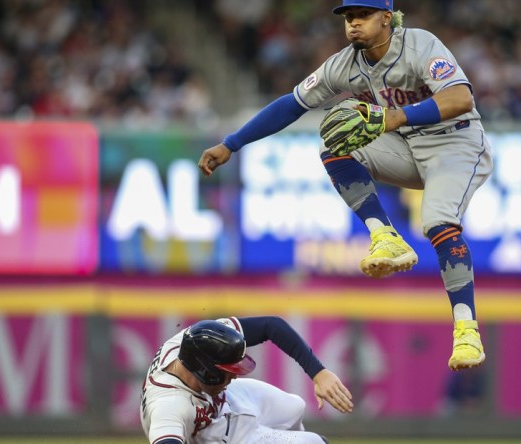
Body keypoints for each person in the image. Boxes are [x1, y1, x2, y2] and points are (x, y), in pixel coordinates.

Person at [198, 0, 493, 370]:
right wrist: (231, 143)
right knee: (333, 142)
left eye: (363, 15)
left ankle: (467, 330)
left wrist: (395, 116)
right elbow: (292, 104)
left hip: (457, 144)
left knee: (436, 222)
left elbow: (460, 97)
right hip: (406, 146)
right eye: (349, 17)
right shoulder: (345, 64)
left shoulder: (419, 44)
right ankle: (384, 236)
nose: (354, 24)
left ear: (387, 18)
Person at [140, 316, 353, 443]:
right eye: (227, 370)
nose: (234, 375)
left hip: (228, 398)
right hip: (220, 434)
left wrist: (318, 372)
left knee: (295, 407)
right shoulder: (169, 406)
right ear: (205, 370)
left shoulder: (193, 340)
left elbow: (272, 325)